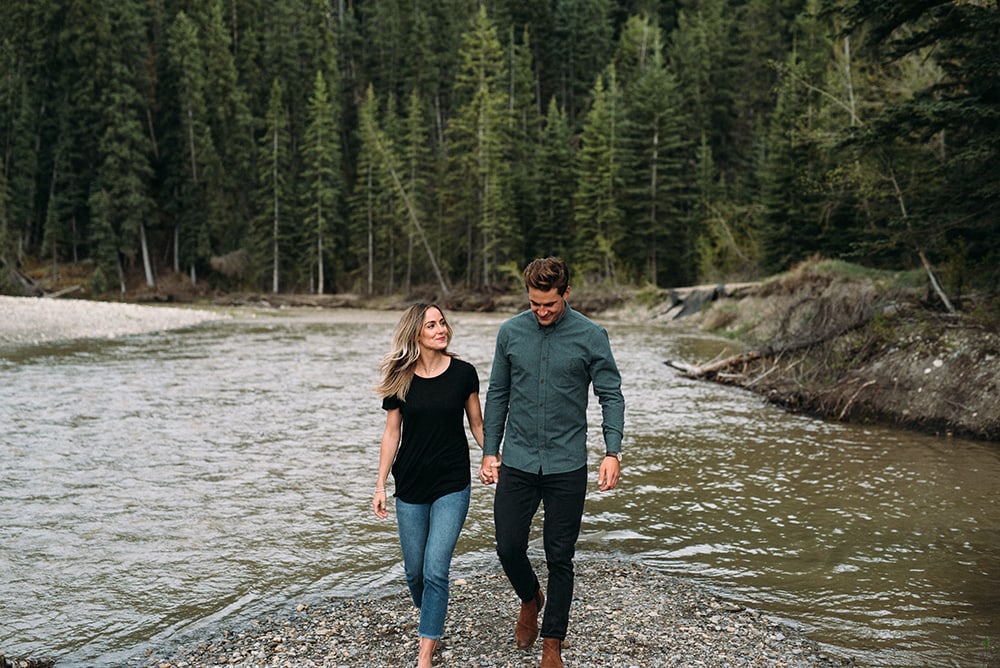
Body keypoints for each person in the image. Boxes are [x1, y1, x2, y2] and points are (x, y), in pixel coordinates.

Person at [478, 257, 625, 668]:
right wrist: (491, 451)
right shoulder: (510, 333)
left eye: (549, 304)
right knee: (508, 545)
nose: (541, 312)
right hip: (520, 460)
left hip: (566, 463)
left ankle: (552, 642)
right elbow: (498, 395)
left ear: (566, 293)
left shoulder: (591, 335)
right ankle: (530, 598)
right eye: (533, 304)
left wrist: (612, 451)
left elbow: (610, 395)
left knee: (560, 555)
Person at [373, 303, 484, 668]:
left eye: (442, 323)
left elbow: (478, 426)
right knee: (415, 573)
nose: (441, 329)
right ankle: (432, 617)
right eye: (431, 325)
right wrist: (379, 485)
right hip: (410, 485)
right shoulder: (400, 378)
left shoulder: (464, 373)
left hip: (452, 482)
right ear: (415, 334)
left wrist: (495, 456)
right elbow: (392, 433)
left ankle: (424, 656)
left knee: (436, 570)